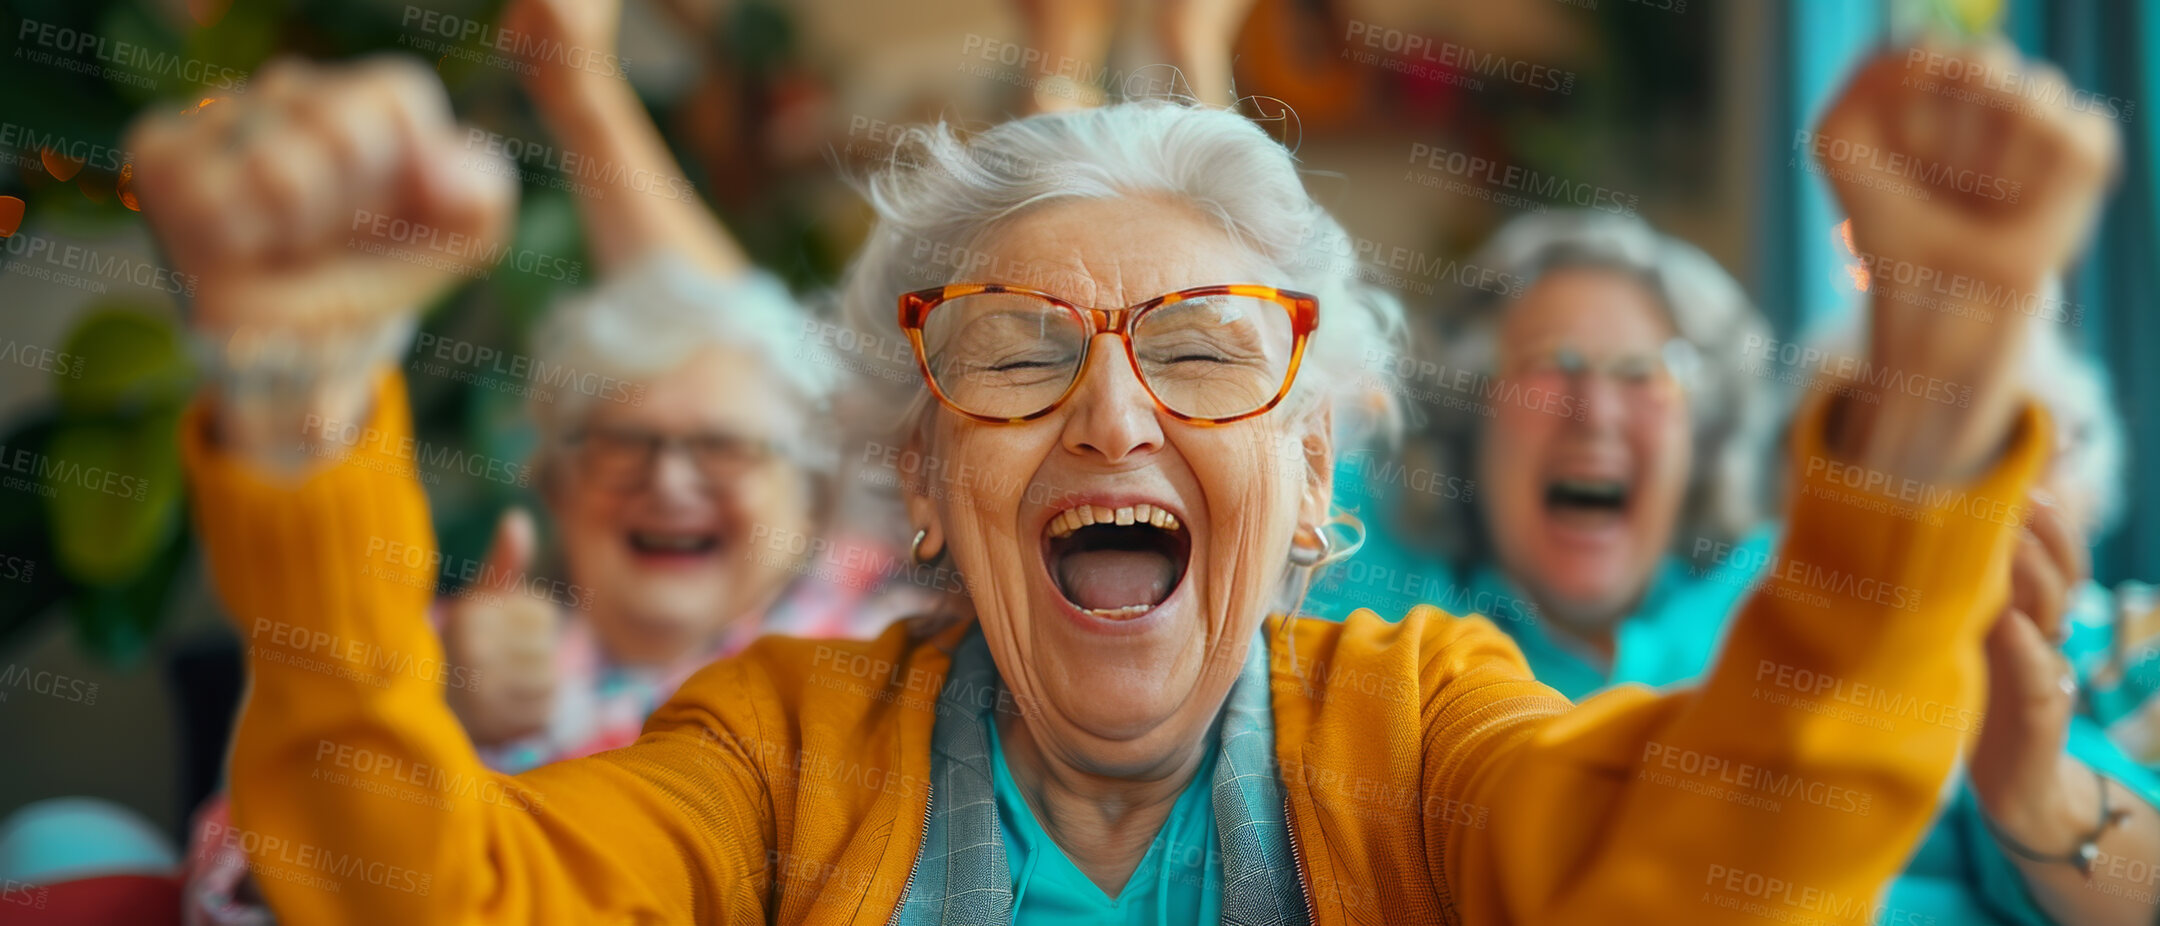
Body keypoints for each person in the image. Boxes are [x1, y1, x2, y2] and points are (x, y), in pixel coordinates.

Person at [132, 36, 2140, 924]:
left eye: (1200, 353)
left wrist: (1925, 429)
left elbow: (1712, 873)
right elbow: (428, 893)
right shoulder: (776, 748)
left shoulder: (1424, 725)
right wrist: (303, 421)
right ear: (922, 481)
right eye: (1016, 352)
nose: (1111, 425)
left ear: (1316, 477)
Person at [1387, 209, 2160, 924]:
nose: (1595, 408)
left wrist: (2037, 800)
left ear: (1704, 437)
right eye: (1550, 365)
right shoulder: (1415, 667)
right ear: (1470, 422)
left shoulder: (1825, 581)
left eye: (1644, 373)